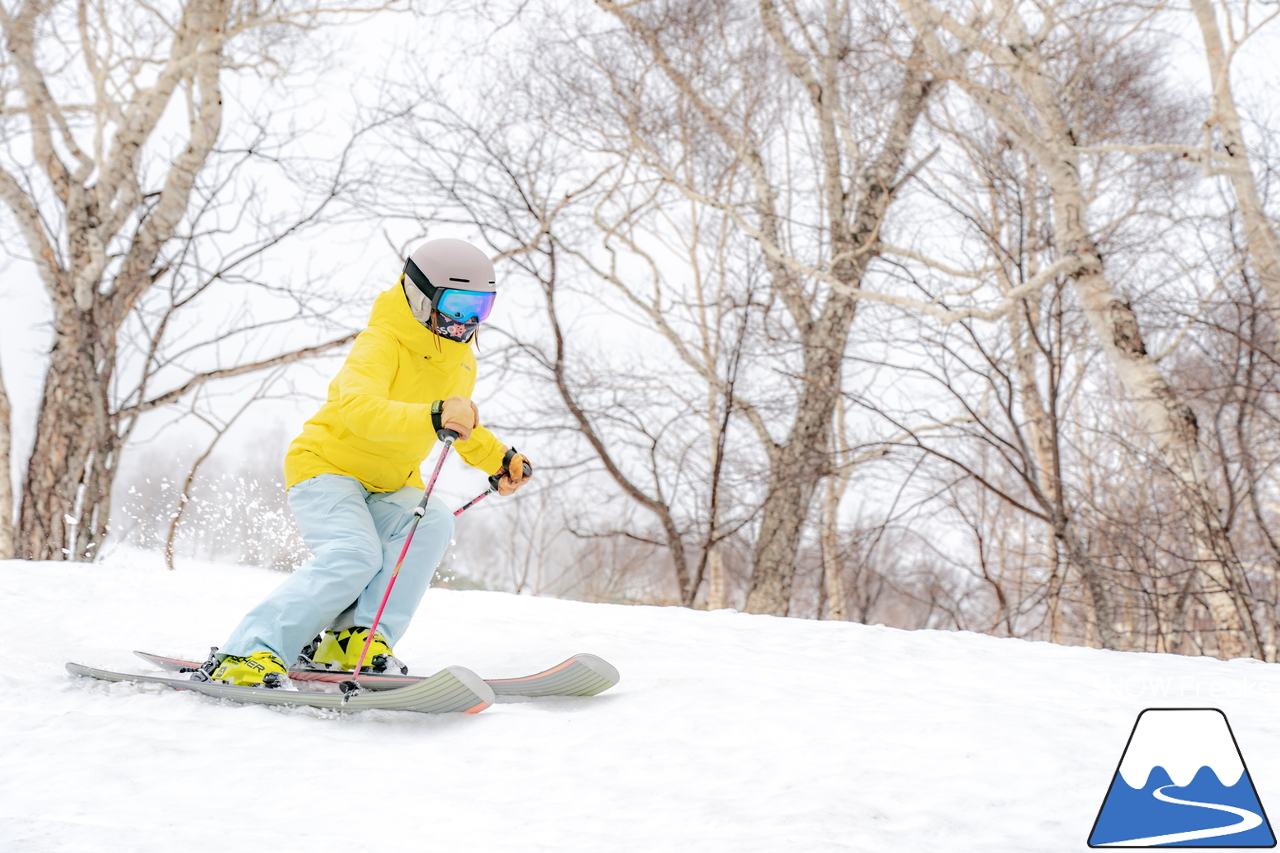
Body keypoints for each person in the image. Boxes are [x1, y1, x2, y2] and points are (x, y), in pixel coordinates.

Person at [208, 238, 530, 687]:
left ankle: (354, 639)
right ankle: (248, 651)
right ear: (422, 297)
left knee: (435, 520)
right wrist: (433, 414)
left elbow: (458, 425)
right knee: (356, 555)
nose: (467, 321)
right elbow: (358, 408)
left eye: (481, 307)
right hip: (327, 469)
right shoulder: (380, 342)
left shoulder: (461, 362)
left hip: (390, 482)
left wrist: (500, 459)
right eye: (457, 305)